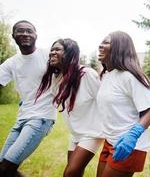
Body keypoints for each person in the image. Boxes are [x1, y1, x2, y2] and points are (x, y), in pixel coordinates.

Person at [36, 38, 103, 177]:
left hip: (93, 132)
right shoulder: (57, 77)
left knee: (70, 173)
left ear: (70, 53)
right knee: (75, 173)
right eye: (52, 49)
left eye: (57, 49)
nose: (52, 53)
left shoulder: (87, 74)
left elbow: (105, 100)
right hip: (75, 133)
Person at [96, 31, 150, 177]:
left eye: (106, 42)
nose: (100, 45)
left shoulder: (129, 76)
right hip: (110, 141)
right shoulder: (106, 76)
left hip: (129, 145)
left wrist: (133, 136)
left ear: (119, 47)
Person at [0, 20, 56, 177]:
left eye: (29, 31)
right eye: (20, 31)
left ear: (36, 35)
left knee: (6, 168)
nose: (25, 34)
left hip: (41, 118)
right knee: (2, 168)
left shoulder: (47, 55)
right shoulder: (11, 63)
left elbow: (70, 70)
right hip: (21, 118)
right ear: (13, 36)